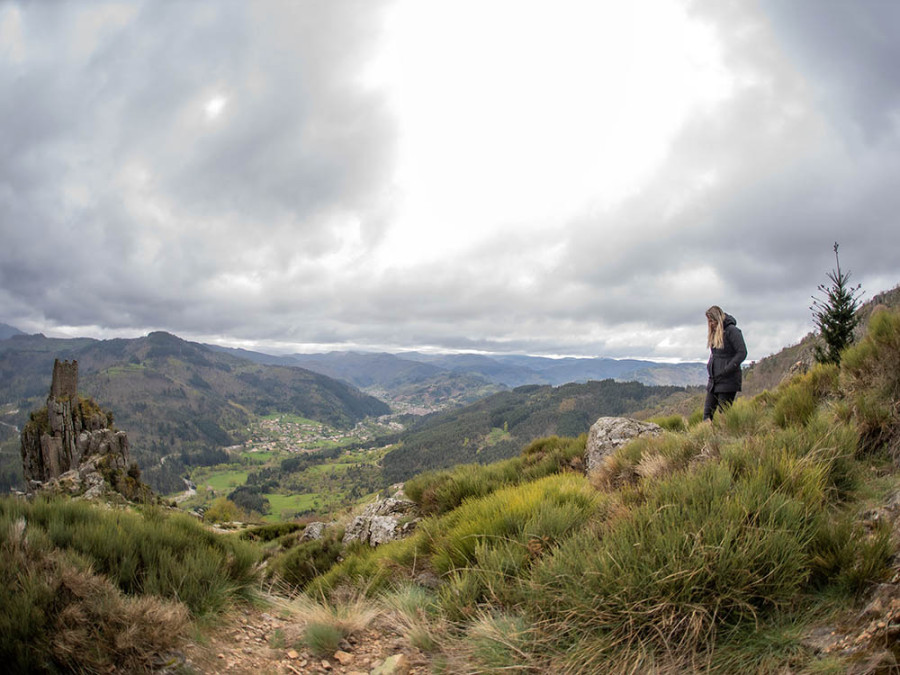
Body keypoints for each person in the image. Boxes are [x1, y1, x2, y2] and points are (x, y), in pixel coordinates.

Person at [703, 306, 747, 421]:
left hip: (728, 381)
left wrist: (727, 369)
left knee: (724, 415)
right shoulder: (715, 333)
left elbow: (742, 352)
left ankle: (725, 436)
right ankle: (705, 436)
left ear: (718, 318)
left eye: (712, 321)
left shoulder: (732, 331)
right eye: (709, 321)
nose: (710, 324)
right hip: (714, 381)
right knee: (707, 415)